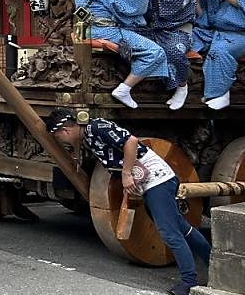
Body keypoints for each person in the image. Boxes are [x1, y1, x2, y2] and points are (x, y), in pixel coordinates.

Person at [46, 110, 210, 295]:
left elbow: (131, 142)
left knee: (169, 232)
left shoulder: (97, 127)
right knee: (181, 227)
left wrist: (125, 175)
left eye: (59, 137)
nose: (63, 142)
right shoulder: (87, 136)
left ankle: (189, 281)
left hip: (157, 179)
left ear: (65, 130)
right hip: (148, 182)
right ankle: (212, 262)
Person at [73, 0, 169, 108]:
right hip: (105, 30)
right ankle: (124, 88)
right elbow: (136, 3)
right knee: (156, 52)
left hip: (84, 28)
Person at [137, 0, 197, 110]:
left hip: (178, 31)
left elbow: (174, 6)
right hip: (155, 30)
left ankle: (182, 86)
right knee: (126, 38)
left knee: (173, 50)